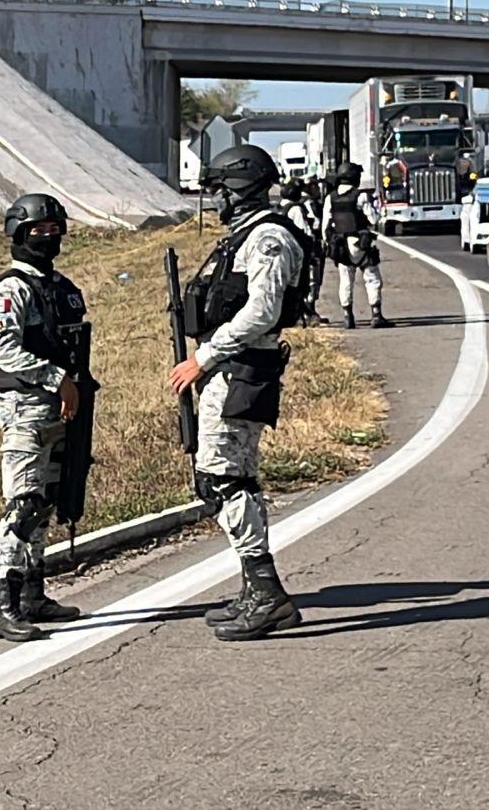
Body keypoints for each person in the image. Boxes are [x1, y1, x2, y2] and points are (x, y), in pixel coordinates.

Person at [168, 144, 308, 641]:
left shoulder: (267, 239)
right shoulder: (244, 237)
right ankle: (255, 587)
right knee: (221, 477)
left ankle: (267, 593)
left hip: (241, 372)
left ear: (243, 185)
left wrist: (202, 359)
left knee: (227, 479)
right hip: (228, 371)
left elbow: (261, 313)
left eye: (222, 189)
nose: (218, 200)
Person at [0, 193, 89, 642]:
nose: (48, 238)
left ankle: (34, 594)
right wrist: (56, 377)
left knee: (47, 501)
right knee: (22, 505)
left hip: (61, 407)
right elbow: (6, 351)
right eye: (38, 231)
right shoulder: (10, 289)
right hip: (26, 408)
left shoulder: (60, 285)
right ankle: (4, 607)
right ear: (18, 234)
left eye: (54, 230)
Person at [325, 162, 391, 329]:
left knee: (345, 281)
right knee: (372, 278)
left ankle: (348, 317)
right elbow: (373, 220)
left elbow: (325, 225)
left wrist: (331, 244)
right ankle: (376, 315)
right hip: (359, 243)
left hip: (340, 245)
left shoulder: (330, 198)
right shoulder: (360, 197)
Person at [280, 177, 325, 326]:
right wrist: (312, 250)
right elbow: (305, 232)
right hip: (300, 251)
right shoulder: (296, 209)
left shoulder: (280, 207)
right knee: (309, 282)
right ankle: (307, 314)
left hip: (286, 250)